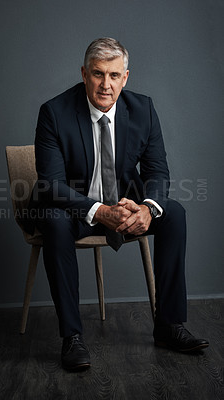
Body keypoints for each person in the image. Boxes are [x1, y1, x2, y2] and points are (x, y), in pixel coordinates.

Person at [29, 37, 209, 371]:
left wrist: (147, 207)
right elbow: (50, 185)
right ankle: (72, 336)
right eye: (98, 74)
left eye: (114, 76)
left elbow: (157, 170)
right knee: (52, 219)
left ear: (125, 77)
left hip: (124, 204)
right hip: (73, 208)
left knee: (175, 214)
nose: (106, 85)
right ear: (84, 74)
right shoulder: (54, 112)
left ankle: (168, 326)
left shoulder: (143, 109)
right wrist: (99, 211)